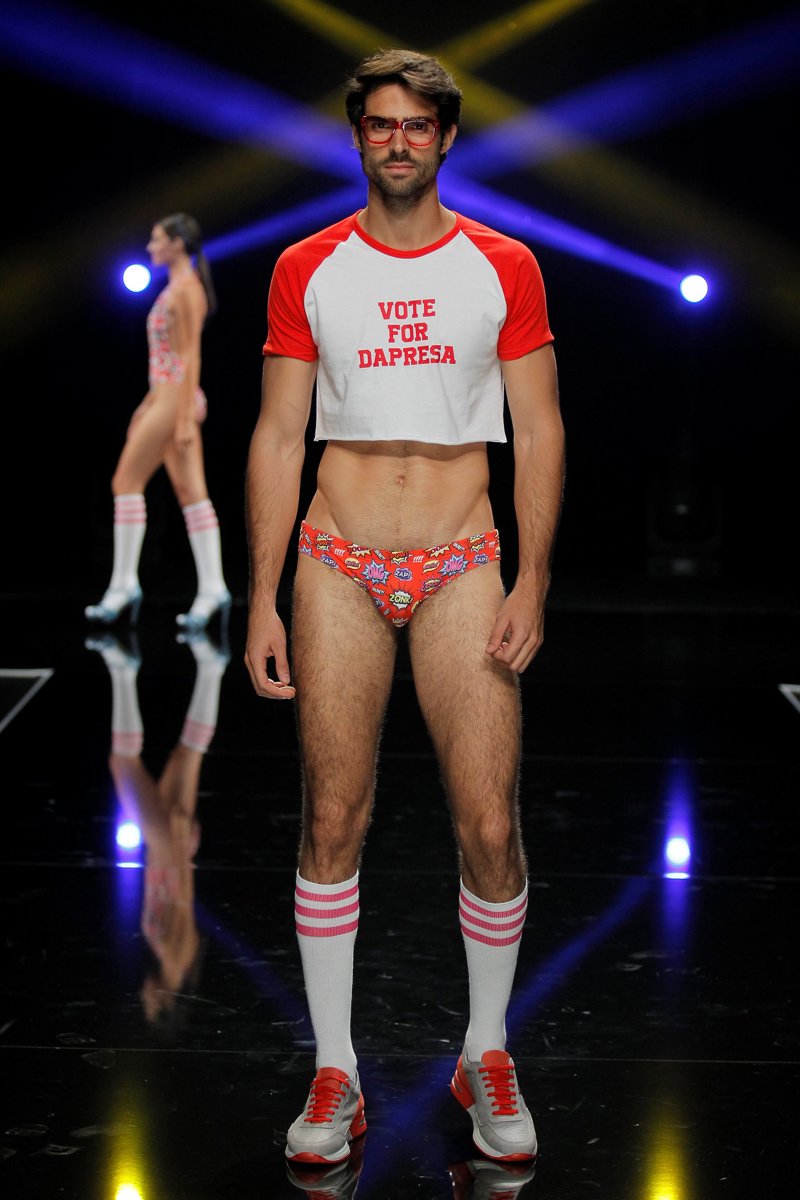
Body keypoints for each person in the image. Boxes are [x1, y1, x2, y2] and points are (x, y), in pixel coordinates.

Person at [244, 49, 565, 1168]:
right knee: (333, 816)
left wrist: (532, 577)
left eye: (415, 126)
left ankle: (486, 1050)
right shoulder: (307, 267)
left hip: (461, 558)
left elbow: (541, 426)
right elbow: (278, 433)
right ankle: (334, 1070)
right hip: (334, 556)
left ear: (445, 139)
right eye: (378, 124)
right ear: (358, 137)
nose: (396, 141)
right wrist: (259, 596)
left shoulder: (504, 266)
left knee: (489, 823)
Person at [85, 213, 231, 631]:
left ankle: (123, 584)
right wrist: (147, 403)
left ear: (177, 244)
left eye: (156, 240)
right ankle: (214, 588)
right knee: (190, 492)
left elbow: (190, 356)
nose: (150, 247)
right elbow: (165, 359)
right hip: (165, 397)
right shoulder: (175, 287)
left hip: (175, 399)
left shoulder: (187, 290)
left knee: (125, 482)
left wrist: (182, 417)